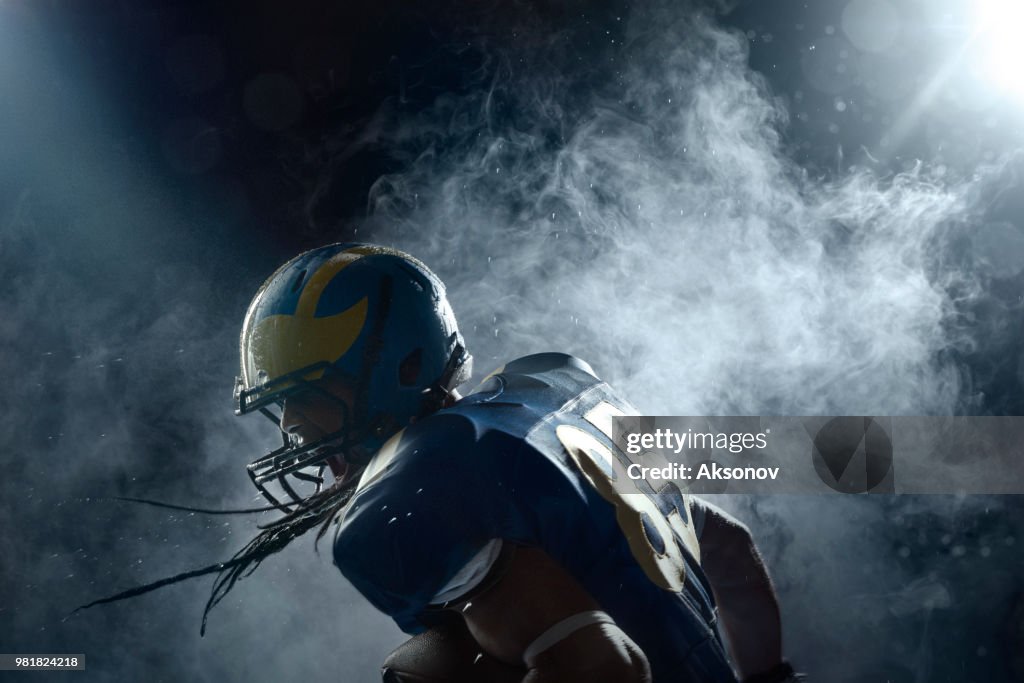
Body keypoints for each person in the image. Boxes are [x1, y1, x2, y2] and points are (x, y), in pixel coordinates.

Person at [234, 242, 800, 683]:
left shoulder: (419, 488)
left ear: (401, 368)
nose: (291, 426)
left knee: (430, 668)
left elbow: (605, 671)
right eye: (279, 405)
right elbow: (730, 544)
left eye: (308, 394)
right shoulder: (551, 392)